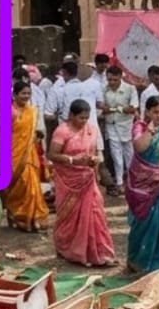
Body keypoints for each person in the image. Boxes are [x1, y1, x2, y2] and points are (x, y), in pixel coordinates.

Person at [49, 100, 116, 267]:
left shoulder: (91, 130)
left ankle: (100, 254)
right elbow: (52, 155)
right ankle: (70, 250)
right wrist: (73, 160)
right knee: (70, 217)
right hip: (68, 180)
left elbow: (94, 153)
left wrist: (94, 161)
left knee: (95, 213)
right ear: (71, 115)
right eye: (81, 118)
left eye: (86, 118)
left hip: (87, 178)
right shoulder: (62, 131)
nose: (84, 121)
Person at [126, 95, 159, 273]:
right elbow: (139, 147)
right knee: (140, 221)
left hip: (158, 182)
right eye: (155, 112)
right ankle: (135, 260)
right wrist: (150, 131)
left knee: (158, 220)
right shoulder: (139, 127)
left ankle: (155, 261)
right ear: (147, 112)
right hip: (139, 183)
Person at [2, 80, 50, 232]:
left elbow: (33, 133)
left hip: (29, 154)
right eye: (23, 93)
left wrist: (36, 136)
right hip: (12, 154)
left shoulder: (32, 111)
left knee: (32, 187)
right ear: (14, 95)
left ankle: (31, 218)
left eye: (28, 93)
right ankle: (16, 215)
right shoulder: (8, 111)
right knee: (17, 186)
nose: (26, 96)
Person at [100, 66, 138, 195]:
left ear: (120, 77)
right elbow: (102, 108)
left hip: (126, 126)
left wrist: (114, 109)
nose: (111, 82)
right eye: (109, 79)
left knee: (129, 156)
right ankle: (120, 183)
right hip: (111, 125)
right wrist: (119, 109)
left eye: (115, 80)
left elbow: (132, 108)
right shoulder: (104, 89)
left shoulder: (130, 89)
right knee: (116, 157)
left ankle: (132, 182)